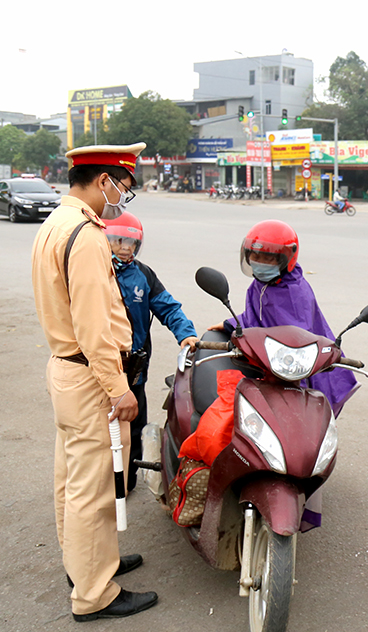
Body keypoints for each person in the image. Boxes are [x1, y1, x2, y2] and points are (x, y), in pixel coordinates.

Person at [31, 143, 159, 621]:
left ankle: (86, 564)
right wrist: (119, 389)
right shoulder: (85, 235)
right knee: (94, 488)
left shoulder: (55, 223)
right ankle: (93, 594)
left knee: (72, 481)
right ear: (104, 180)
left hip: (66, 369)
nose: (121, 199)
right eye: (122, 188)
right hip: (89, 376)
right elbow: (93, 328)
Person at [209, 220, 358, 529]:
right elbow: (253, 319)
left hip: (302, 370)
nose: (260, 264)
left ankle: (302, 495)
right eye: (256, 256)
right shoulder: (259, 286)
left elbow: (296, 338)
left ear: (286, 259)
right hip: (269, 367)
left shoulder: (295, 293)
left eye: (268, 258)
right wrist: (228, 325)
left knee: (300, 433)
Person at [104, 211, 198, 491]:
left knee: (132, 427)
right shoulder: (96, 272)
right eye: (118, 240)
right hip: (103, 367)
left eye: (131, 242)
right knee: (101, 430)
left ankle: (126, 483)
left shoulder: (143, 275)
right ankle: (101, 484)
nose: (124, 247)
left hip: (134, 371)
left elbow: (167, 306)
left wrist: (186, 334)